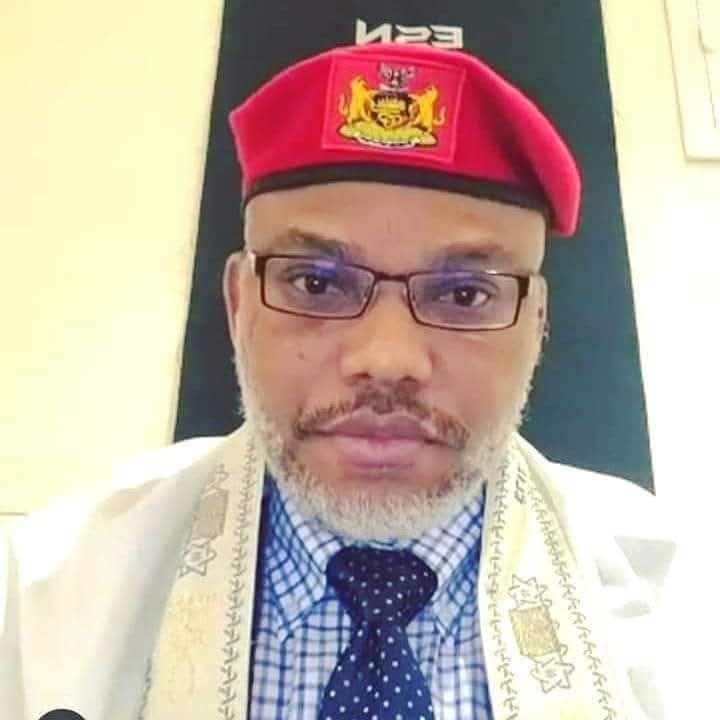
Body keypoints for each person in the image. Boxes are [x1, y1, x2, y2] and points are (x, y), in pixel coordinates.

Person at [0, 43, 676, 720]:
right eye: (316, 284)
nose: (386, 359)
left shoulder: (681, 613)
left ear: (537, 323)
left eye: (464, 295)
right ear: (238, 305)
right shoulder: (43, 604)